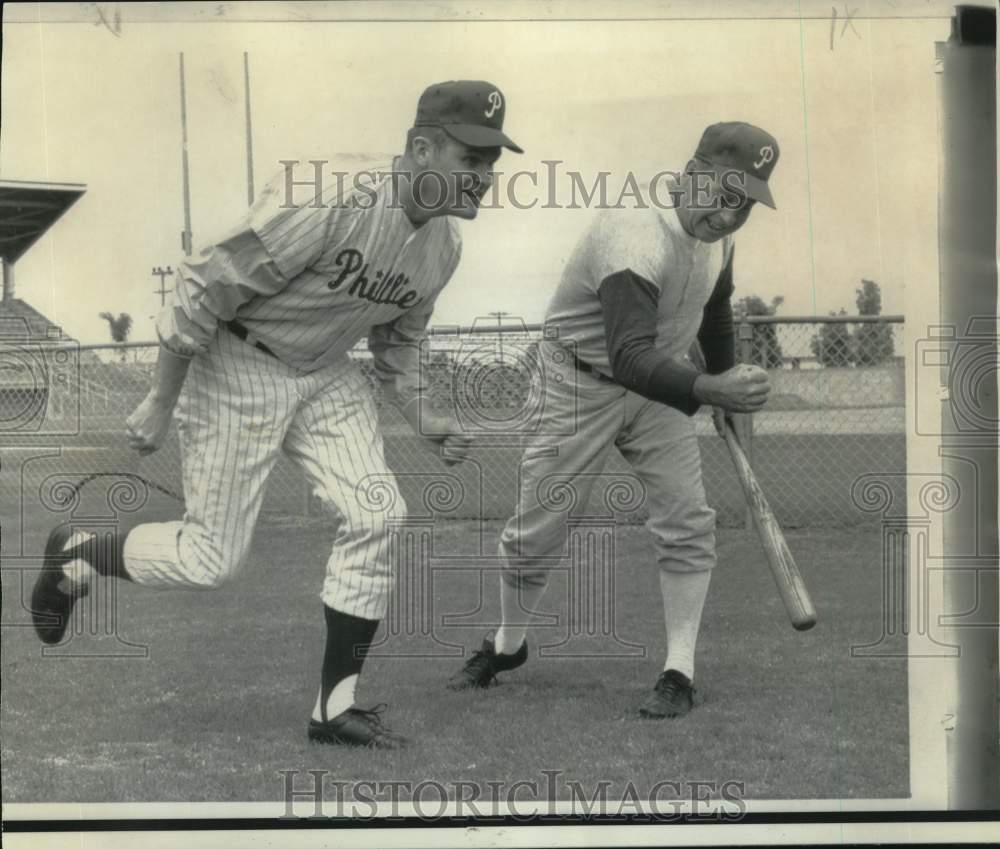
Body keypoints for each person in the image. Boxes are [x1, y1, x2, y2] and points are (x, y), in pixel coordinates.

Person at [31, 80, 522, 749]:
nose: (484, 180)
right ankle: (78, 553)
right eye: (472, 160)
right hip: (239, 357)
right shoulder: (330, 194)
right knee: (210, 559)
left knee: (378, 511)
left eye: (492, 165)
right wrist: (162, 394)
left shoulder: (444, 249)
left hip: (324, 371)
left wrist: (425, 413)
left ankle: (333, 706)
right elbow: (207, 280)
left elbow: (398, 342)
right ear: (420, 146)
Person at [447, 122, 778, 718]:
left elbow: (716, 308)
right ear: (693, 174)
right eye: (724, 195)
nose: (730, 216)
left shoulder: (719, 239)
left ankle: (680, 669)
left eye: (746, 204)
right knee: (536, 532)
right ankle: (507, 645)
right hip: (577, 381)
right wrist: (710, 388)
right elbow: (627, 356)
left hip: (660, 384)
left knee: (687, 520)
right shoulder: (634, 232)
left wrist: (722, 384)